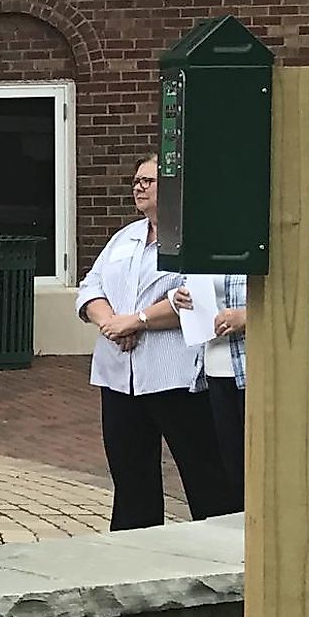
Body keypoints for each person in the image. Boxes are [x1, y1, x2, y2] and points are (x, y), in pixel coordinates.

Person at [77, 157, 234, 531]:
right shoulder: (124, 238)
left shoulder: (193, 237)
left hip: (175, 374)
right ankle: (135, 549)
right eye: (136, 181)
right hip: (119, 376)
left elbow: (195, 297)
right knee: (130, 477)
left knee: (202, 473)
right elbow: (91, 287)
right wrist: (110, 323)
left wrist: (139, 320)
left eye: (148, 180)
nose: (139, 186)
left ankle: (218, 546)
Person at [177, 232, 309, 505]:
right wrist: (182, 299)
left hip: (283, 370)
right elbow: (198, 287)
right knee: (237, 477)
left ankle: (284, 547)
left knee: (276, 479)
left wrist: (251, 316)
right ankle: (242, 546)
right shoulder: (211, 232)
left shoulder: (302, 232)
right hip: (220, 369)